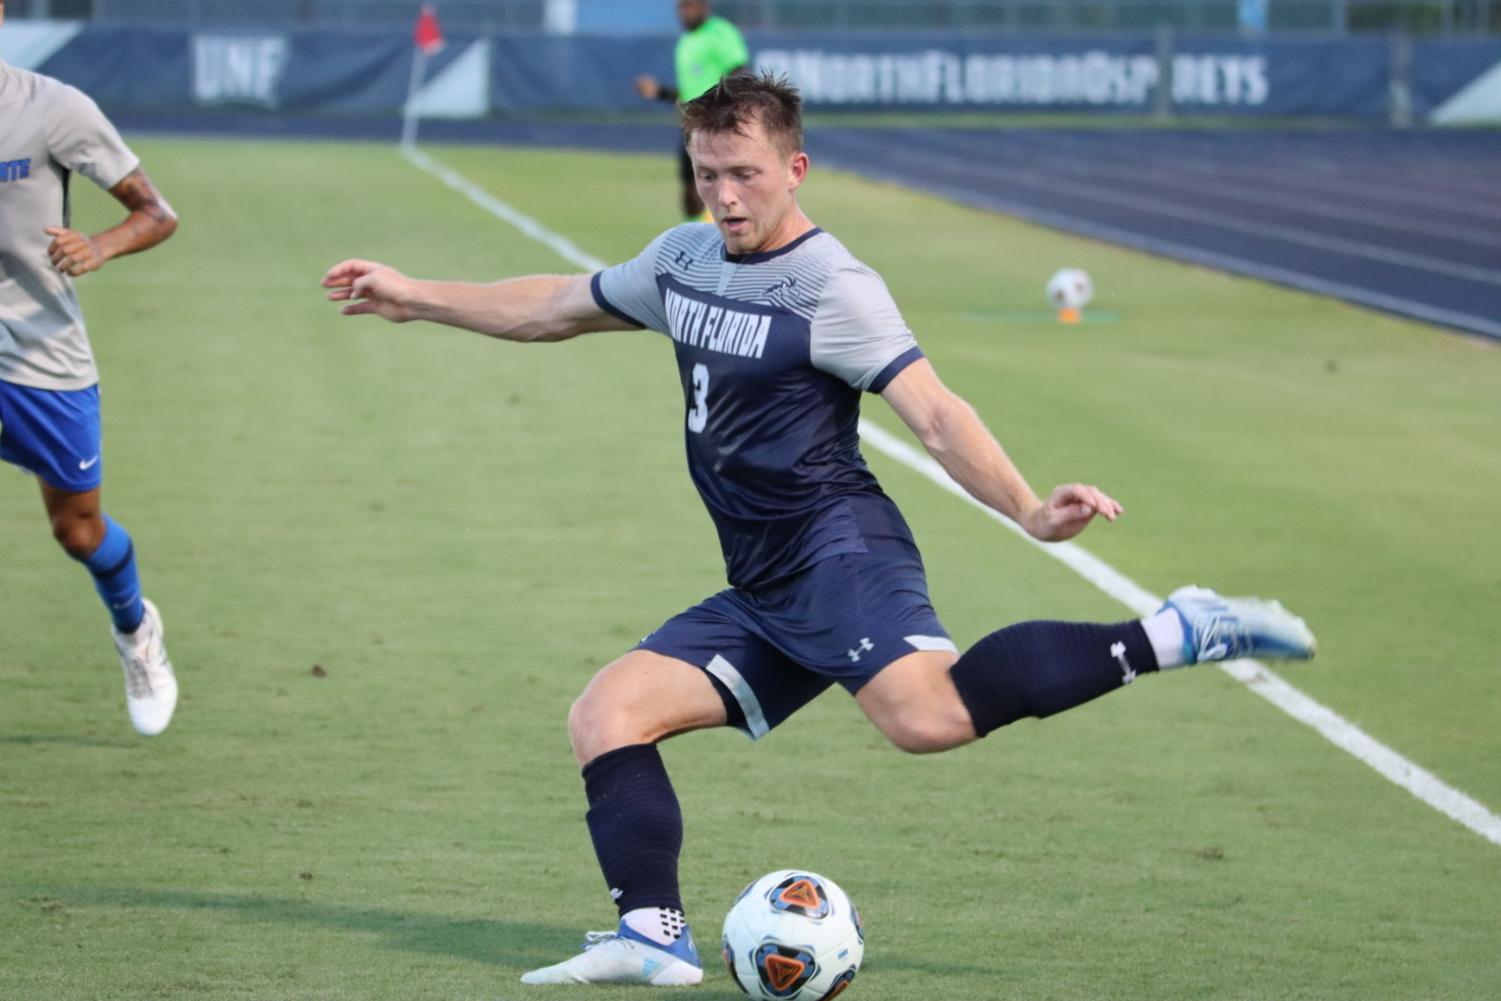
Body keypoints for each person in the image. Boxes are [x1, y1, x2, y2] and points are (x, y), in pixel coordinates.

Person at [323, 73, 1316, 988]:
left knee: (923, 717)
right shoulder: (682, 258)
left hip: (839, 553)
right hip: (759, 578)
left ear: (794, 168)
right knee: (607, 714)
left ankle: (1176, 628)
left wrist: (1026, 509)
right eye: (706, 173)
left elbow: (933, 411)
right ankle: (651, 932)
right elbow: (553, 306)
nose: (723, 194)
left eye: (744, 174)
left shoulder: (832, 285)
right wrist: (419, 295)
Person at [1, 0, 181, 736]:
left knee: (78, 531)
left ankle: (136, 629)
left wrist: (99, 246)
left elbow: (156, 212)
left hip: (39, 352)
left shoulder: (53, 109)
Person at [634, 0, 748, 220]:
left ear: (704, 6)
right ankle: (695, 236)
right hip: (691, 125)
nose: (685, 12)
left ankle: (725, 238)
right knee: (690, 188)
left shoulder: (720, 32)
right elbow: (689, 94)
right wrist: (659, 92)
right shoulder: (685, 41)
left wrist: (722, 111)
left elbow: (740, 74)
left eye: (690, 6)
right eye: (681, 7)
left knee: (721, 186)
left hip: (718, 125)